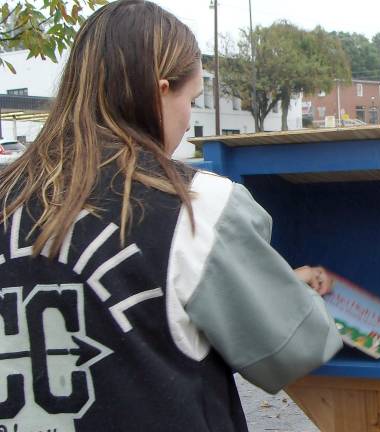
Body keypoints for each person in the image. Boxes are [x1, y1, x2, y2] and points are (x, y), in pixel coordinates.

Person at [0, 1, 342, 431]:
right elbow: (295, 347)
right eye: (192, 99)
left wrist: (272, 284)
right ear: (160, 90)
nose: (187, 121)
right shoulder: (196, 205)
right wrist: (298, 302)